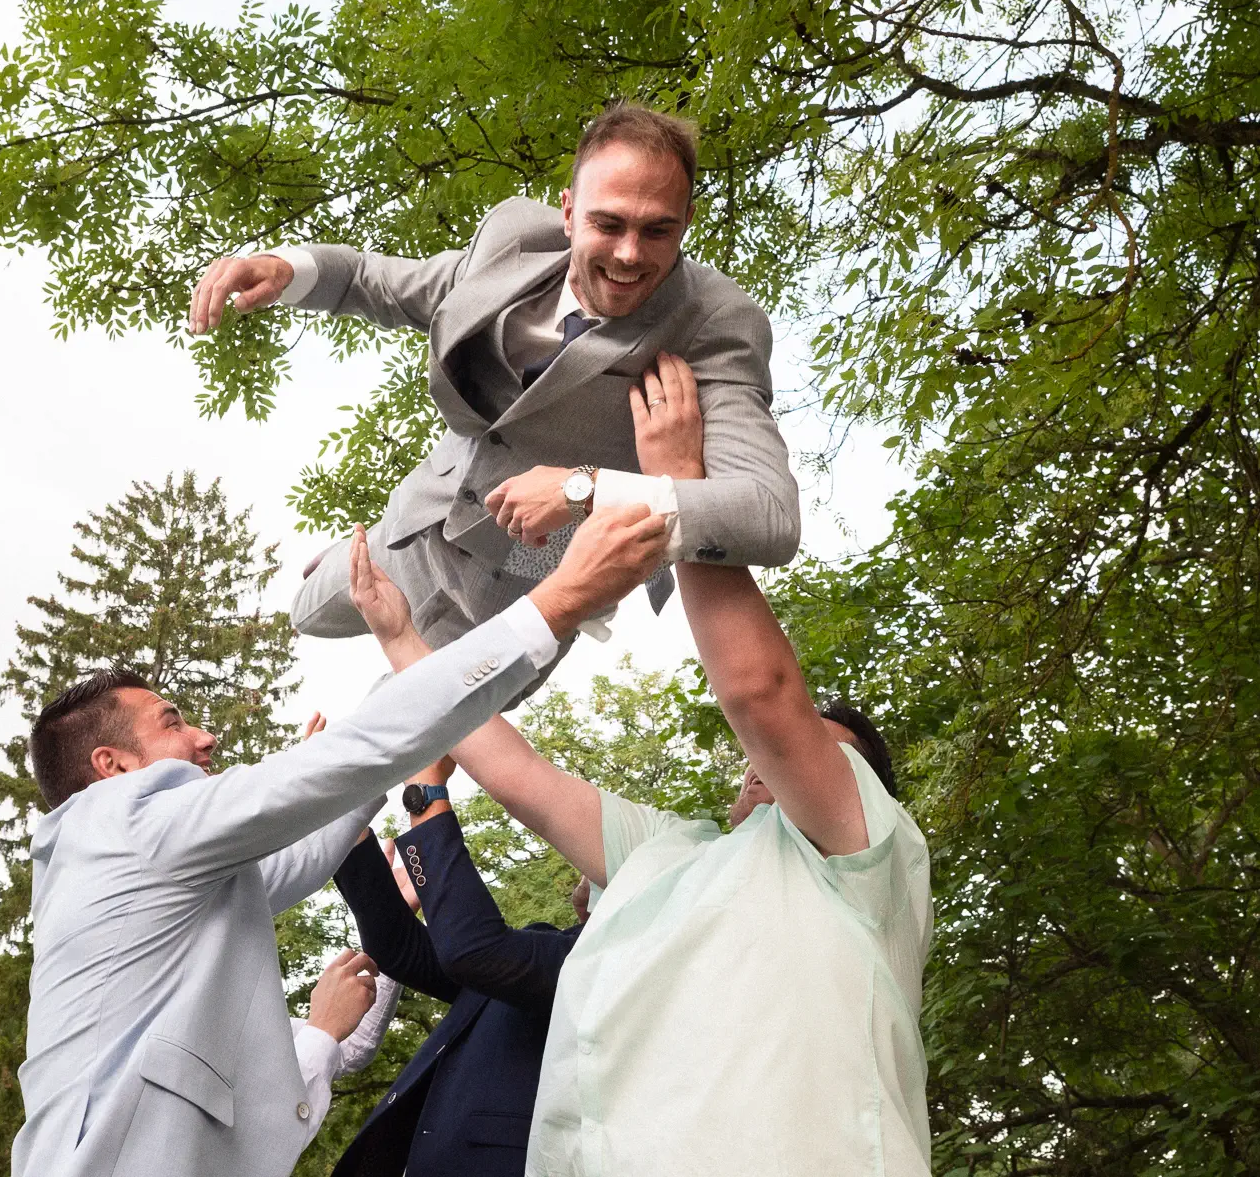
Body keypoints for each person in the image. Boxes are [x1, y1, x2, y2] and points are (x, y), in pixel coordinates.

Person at [348, 354, 934, 1175]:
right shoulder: (672, 854)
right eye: (766, 756)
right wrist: (403, 641)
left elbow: (762, 693)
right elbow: (520, 777)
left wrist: (671, 489)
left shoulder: (865, 856)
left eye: (816, 749)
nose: (772, 761)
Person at [8, 504, 669, 1177]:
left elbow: (311, 835)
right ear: (113, 767)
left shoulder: (145, 870)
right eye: (172, 722)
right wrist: (558, 599)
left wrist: (408, 646)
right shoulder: (122, 820)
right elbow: (349, 759)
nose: (206, 737)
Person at [188, 102, 802, 684]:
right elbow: (382, 283)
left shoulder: (715, 324)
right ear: (568, 213)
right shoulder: (514, 238)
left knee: (400, 735)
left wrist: (584, 489)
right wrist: (288, 269)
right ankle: (346, 560)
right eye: (607, 223)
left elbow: (769, 515)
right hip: (416, 520)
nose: (628, 254)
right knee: (304, 612)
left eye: (658, 230)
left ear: (686, 221)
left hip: (520, 590)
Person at [327, 754, 587, 1177]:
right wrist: (343, 806)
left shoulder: (607, 962)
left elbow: (475, 948)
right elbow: (398, 948)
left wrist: (425, 792)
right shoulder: (542, 951)